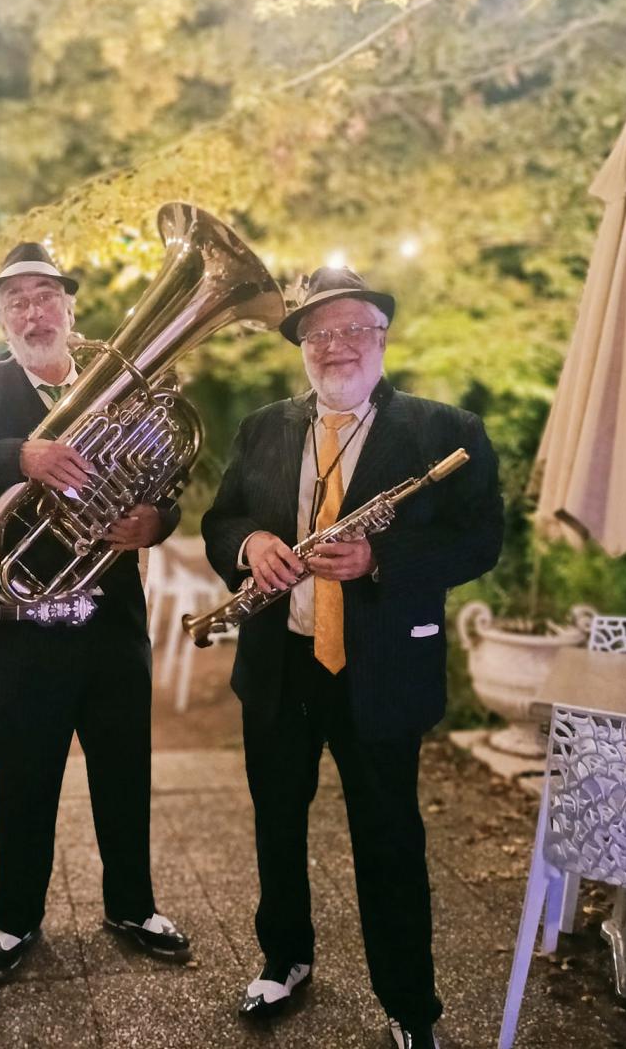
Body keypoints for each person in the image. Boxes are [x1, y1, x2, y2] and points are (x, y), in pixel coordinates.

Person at [199, 266, 503, 1048]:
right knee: (276, 824)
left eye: (353, 328)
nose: (336, 345)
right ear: (301, 346)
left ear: (383, 336)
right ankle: (284, 959)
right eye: (318, 333)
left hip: (381, 669)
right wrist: (250, 543)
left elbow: (481, 540)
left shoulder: (446, 431)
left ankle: (410, 1006)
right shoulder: (263, 428)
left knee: (390, 840)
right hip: (282, 662)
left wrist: (381, 560)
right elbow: (221, 519)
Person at [0, 242, 192, 981]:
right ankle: (16, 919)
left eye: (45, 297)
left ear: (71, 309)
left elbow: (168, 480)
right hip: (24, 623)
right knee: (24, 776)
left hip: (112, 618)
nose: (33, 312)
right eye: (16, 301)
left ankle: (133, 905)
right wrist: (20, 456)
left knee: (125, 768)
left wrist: (155, 523)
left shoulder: (126, 388)